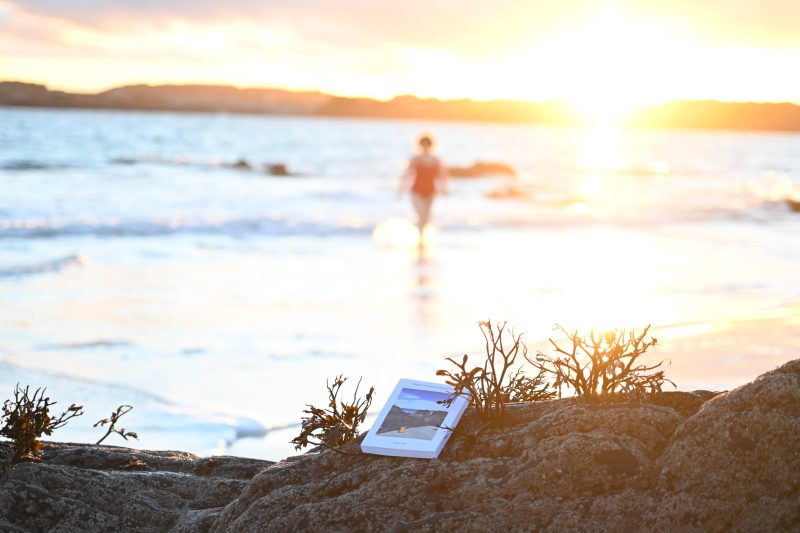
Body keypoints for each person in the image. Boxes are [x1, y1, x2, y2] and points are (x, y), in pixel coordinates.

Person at [397, 134, 449, 241]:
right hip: (416, 191)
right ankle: (420, 239)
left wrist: (444, 189)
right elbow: (406, 175)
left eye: (427, 145)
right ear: (420, 145)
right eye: (423, 145)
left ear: (431, 146)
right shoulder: (415, 159)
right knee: (421, 215)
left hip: (430, 192)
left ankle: (421, 237)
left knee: (426, 217)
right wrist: (400, 190)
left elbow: (443, 176)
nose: (425, 147)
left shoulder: (436, 160)